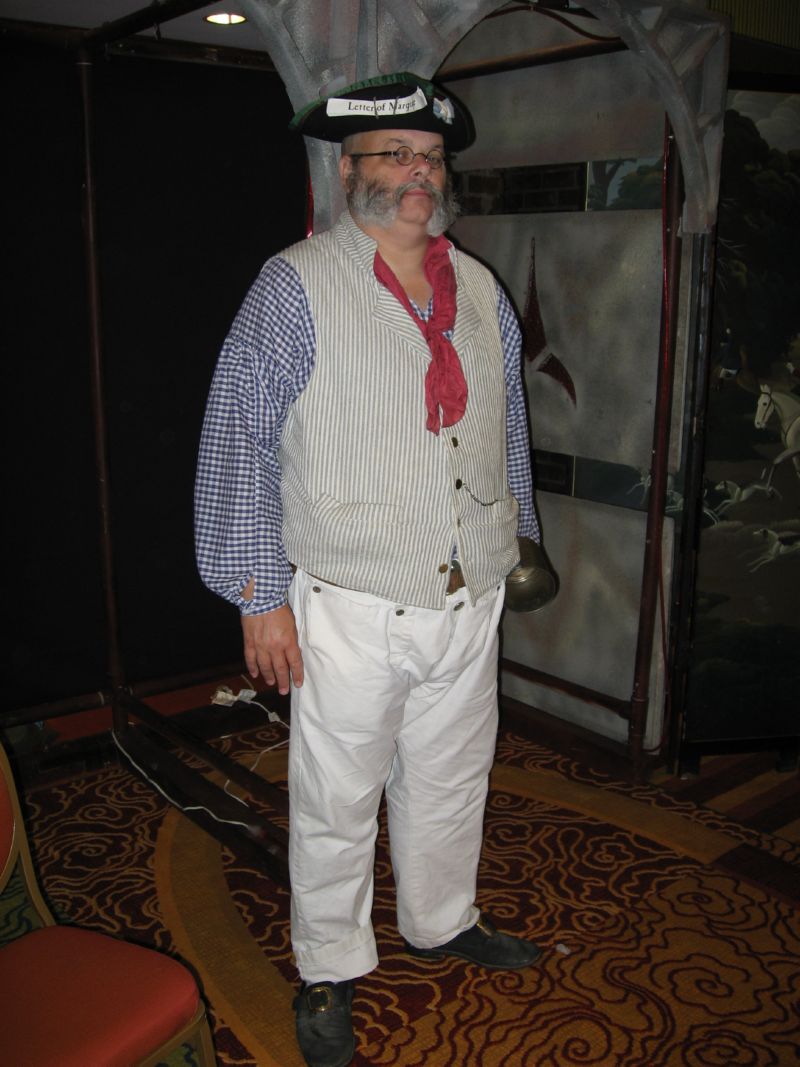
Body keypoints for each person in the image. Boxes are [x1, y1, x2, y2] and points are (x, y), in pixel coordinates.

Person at [195, 71, 543, 1067]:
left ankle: (441, 917)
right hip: (349, 601)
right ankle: (328, 964)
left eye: (428, 156)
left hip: (466, 595)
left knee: (451, 775)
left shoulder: (481, 289)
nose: (415, 171)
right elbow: (238, 440)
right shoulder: (293, 284)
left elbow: (504, 427)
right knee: (337, 796)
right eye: (392, 154)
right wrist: (258, 595)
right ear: (347, 172)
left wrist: (516, 541)